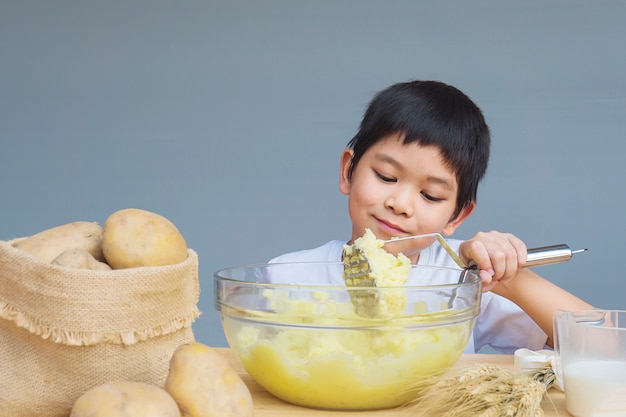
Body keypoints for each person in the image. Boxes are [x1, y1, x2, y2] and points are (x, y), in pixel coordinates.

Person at [270, 80, 592, 354]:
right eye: (385, 176)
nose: (401, 204)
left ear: (457, 215)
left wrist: (512, 279)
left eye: (431, 196)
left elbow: (602, 348)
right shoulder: (287, 276)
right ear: (348, 171)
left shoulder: (461, 281)